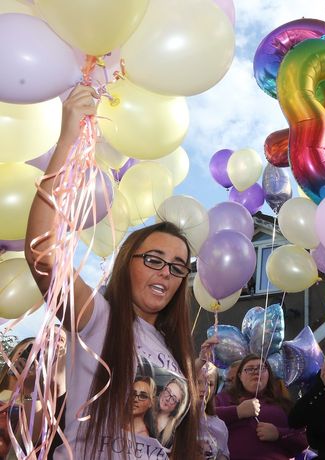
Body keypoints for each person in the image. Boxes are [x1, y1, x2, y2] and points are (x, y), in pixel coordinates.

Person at [25, 85, 200, 458]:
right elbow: (43, 252)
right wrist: (68, 138)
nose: (166, 272)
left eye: (177, 266)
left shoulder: (174, 349)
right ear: (126, 265)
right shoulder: (99, 318)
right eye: (153, 259)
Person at [215, 355, 307, 460]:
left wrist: (278, 433)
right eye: (249, 369)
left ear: (269, 374)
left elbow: (304, 438)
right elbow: (203, 419)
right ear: (240, 376)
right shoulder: (224, 398)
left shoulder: (283, 404)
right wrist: (237, 412)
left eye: (261, 368)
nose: (255, 372)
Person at [196, 360, 229, 460]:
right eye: (198, 382)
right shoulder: (178, 418)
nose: (203, 389)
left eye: (210, 384)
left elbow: (223, 456)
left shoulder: (220, 426)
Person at [155, 378, 190, 447]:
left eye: (173, 399)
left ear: (177, 407)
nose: (167, 398)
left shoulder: (174, 433)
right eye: (168, 391)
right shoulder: (147, 410)